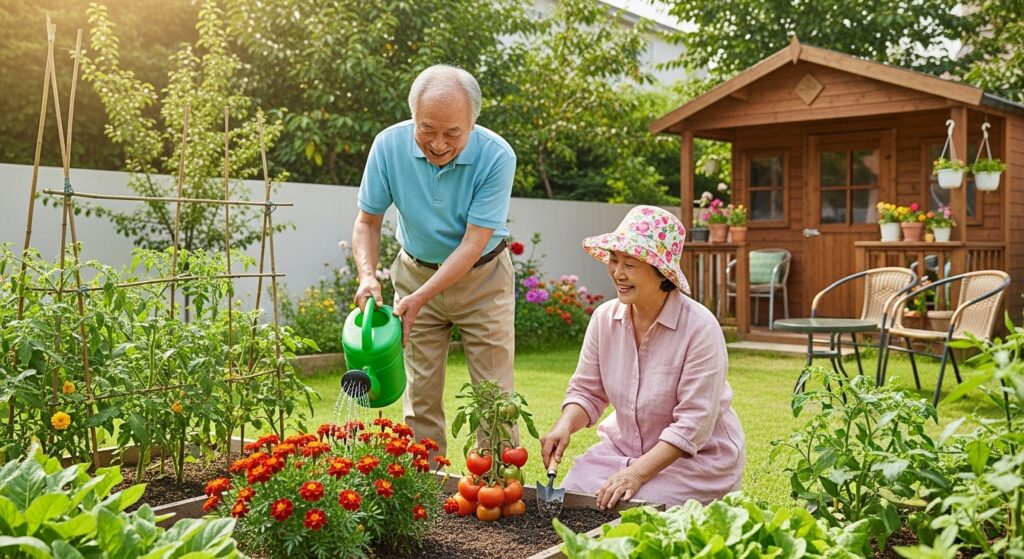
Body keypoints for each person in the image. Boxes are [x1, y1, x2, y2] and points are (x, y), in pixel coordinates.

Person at [351, 65, 517, 455]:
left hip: (483, 277)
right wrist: (367, 276)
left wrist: (420, 298)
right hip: (413, 271)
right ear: (413, 116)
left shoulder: (497, 156)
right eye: (427, 129)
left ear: (472, 122)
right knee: (420, 390)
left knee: (493, 392)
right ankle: (424, 482)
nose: (438, 143)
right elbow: (367, 221)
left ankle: (495, 483)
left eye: (452, 133)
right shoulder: (388, 146)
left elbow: (473, 244)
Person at [540, 205, 745, 509]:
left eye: (630, 264)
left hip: (694, 462)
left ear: (661, 271)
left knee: (636, 510)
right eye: (613, 260)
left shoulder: (700, 328)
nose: (617, 273)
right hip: (622, 451)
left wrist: (635, 475)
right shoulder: (604, 319)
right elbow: (587, 391)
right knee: (575, 495)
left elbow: (692, 424)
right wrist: (564, 426)